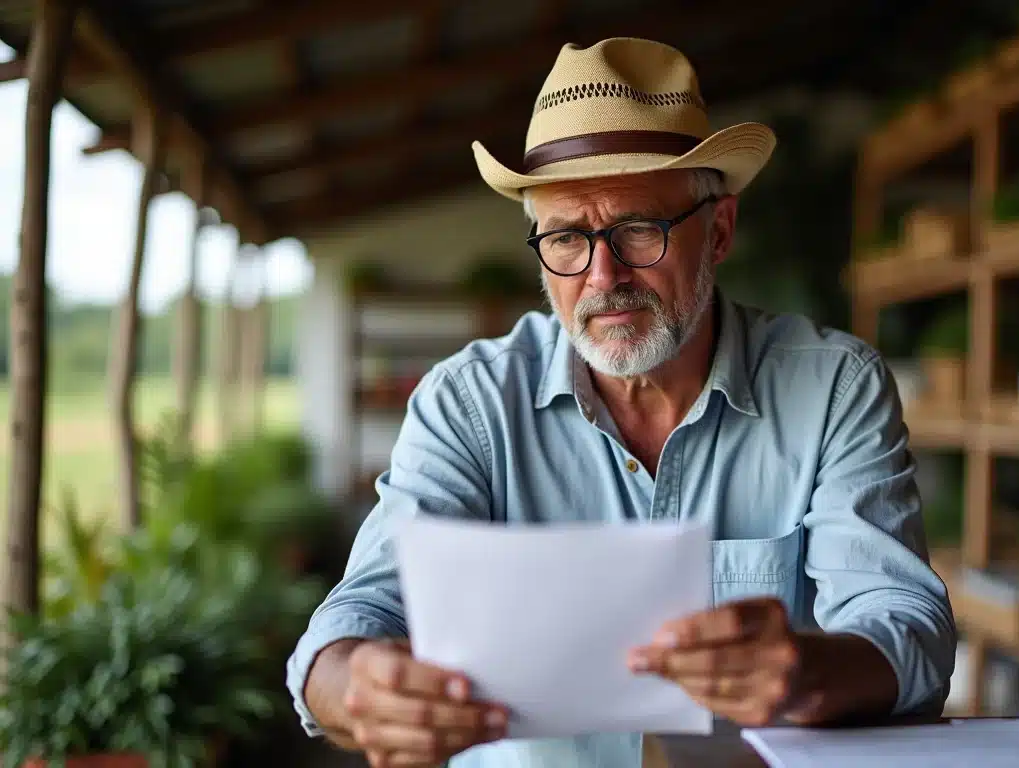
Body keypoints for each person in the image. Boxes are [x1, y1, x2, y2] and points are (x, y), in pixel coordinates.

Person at [286, 36, 956, 768]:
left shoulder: (833, 387)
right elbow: (355, 619)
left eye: (640, 228)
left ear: (720, 230)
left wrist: (810, 672)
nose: (603, 275)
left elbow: (906, 622)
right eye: (568, 237)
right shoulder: (468, 404)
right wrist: (358, 687)